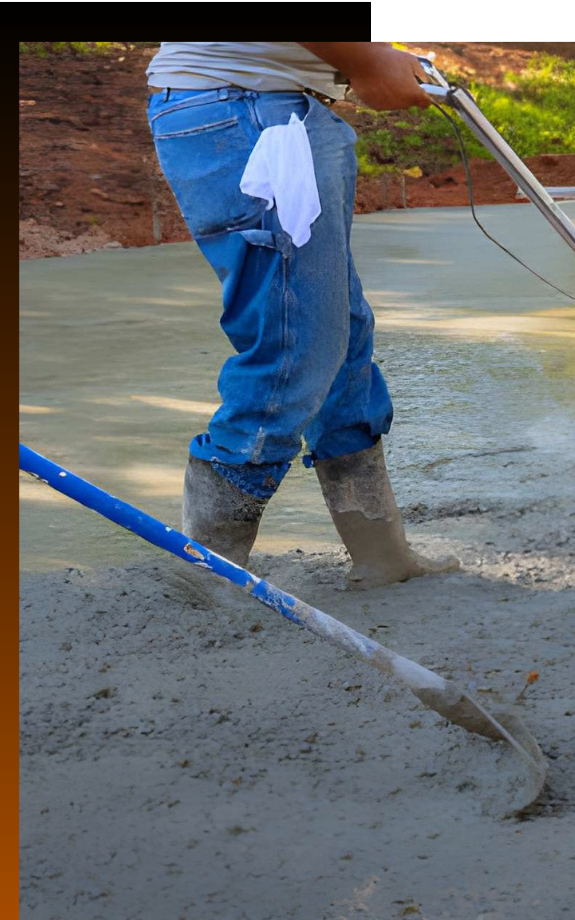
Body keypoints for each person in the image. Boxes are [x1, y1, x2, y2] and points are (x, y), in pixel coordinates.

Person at [145, 41, 459, 587]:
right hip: (246, 109)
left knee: (341, 335)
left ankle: (383, 559)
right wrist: (366, 62)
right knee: (298, 340)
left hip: (271, 107)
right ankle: (204, 581)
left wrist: (374, 55)